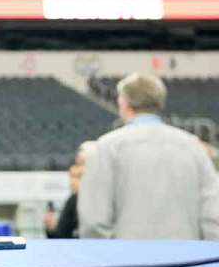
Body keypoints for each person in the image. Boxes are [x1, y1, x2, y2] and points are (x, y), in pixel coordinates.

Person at [78, 73, 219, 240]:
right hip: (185, 260)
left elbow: (94, 220)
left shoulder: (107, 147)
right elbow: (212, 215)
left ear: (123, 102)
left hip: (128, 260)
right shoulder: (193, 147)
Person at [45, 141, 94, 239]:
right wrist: (50, 229)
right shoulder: (74, 200)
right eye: (76, 164)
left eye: (81, 165)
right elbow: (61, 237)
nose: (74, 170)